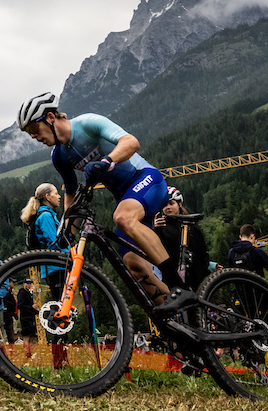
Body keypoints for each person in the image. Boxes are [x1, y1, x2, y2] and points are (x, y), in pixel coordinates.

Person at [16, 92, 187, 315]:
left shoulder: (88, 123)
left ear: (49, 117)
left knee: (122, 217)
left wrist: (107, 161)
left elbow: (131, 142)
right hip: (125, 198)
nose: (33, 137)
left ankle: (179, 288)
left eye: (33, 129)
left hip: (146, 179)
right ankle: (179, 317)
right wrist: (67, 228)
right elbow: (71, 192)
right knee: (133, 264)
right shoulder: (58, 156)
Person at [154, 188, 210, 290]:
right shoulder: (161, 228)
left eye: (171, 203)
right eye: (165, 205)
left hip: (197, 278)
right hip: (173, 279)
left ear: (179, 204)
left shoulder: (193, 228)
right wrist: (156, 231)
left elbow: (202, 253)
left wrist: (205, 273)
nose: (168, 207)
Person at [21, 183, 65, 297]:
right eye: (56, 193)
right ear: (47, 197)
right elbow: (53, 242)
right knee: (60, 302)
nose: (59, 196)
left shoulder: (47, 214)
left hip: (53, 266)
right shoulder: (45, 216)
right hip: (56, 265)